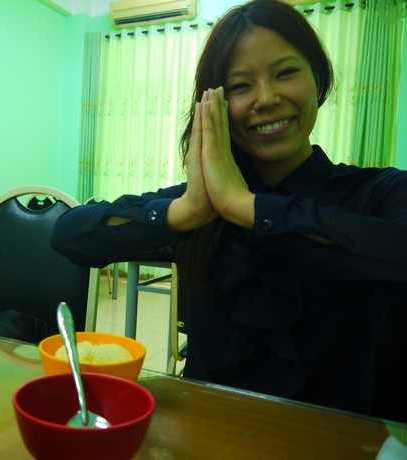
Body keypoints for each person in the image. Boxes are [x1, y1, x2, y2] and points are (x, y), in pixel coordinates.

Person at [51, 0, 407, 417]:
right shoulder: (204, 203)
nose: (266, 98)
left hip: (333, 439)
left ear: (318, 78)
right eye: (240, 86)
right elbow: (70, 234)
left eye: (286, 73)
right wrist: (187, 211)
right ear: (214, 107)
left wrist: (247, 207)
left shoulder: (373, 193)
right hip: (206, 431)